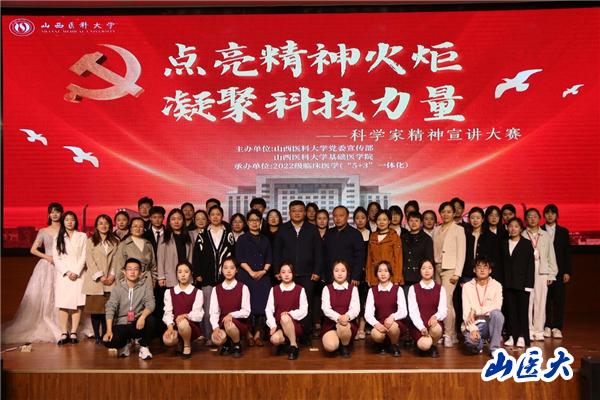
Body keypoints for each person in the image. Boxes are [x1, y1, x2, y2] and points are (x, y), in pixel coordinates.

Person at [2, 203, 64, 344]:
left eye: (57, 212)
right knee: (46, 294)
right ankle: (51, 322)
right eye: (52, 212)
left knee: (61, 294)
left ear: (61, 213)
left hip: (62, 266)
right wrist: (47, 257)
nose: (54, 214)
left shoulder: (65, 229)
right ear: (48, 215)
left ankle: (63, 325)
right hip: (47, 266)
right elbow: (33, 249)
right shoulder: (43, 231)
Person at [273, 200, 323, 342]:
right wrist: (277, 270)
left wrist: (317, 271)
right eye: (294, 211)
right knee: (288, 304)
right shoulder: (283, 229)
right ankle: (287, 332)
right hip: (287, 274)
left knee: (306, 305)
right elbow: (276, 252)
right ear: (289, 212)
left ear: (305, 213)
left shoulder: (312, 229)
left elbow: (319, 252)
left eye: (300, 210)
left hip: (308, 274)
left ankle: (306, 334)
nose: (297, 213)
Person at [192, 205, 235, 343]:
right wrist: (197, 273)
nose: (215, 217)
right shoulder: (202, 234)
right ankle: (209, 336)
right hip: (207, 276)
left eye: (218, 214)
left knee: (225, 307)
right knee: (208, 308)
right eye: (212, 214)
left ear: (222, 216)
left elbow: (233, 253)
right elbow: (196, 255)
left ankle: (225, 337)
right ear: (209, 217)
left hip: (225, 277)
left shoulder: (228, 233)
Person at [103, 258, 155, 360]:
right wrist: (109, 330)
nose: (132, 272)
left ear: (140, 272)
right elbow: (110, 308)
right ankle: (125, 344)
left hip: (137, 322)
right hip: (122, 323)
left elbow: (151, 304)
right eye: (129, 269)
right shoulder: (118, 288)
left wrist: (142, 317)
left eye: (136, 269)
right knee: (109, 341)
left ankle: (144, 346)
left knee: (151, 320)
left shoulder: (145, 286)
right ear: (124, 271)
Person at [236, 209, 273, 347]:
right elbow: (240, 258)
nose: (254, 223)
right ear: (247, 222)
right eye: (251, 220)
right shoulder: (242, 238)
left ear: (261, 222)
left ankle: (258, 334)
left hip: (263, 277)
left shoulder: (265, 239)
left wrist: (263, 271)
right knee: (247, 305)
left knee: (262, 306)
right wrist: (251, 272)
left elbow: (269, 257)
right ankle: (248, 334)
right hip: (246, 276)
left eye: (257, 220)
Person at [432, 201, 466, 347]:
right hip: (437, 268)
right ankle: (446, 334)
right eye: (443, 212)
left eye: (449, 212)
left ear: (454, 214)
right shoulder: (436, 229)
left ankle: (449, 334)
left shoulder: (459, 229)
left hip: (450, 269)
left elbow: (461, 253)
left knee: (447, 301)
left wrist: (457, 273)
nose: (446, 214)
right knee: (440, 302)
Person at [83, 214, 119, 344]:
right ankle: (97, 336)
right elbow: (89, 260)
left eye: (106, 223)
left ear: (110, 225)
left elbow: (117, 260)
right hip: (95, 281)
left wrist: (112, 275)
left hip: (111, 280)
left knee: (107, 310)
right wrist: (100, 276)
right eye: (100, 223)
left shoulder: (116, 241)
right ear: (96, 226)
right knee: (95, 310)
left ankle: (105, 334)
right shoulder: (90, 241)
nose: (103, 226)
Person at [523, 208, 557, 341]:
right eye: (529, 216)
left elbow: (551, 255)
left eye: (535, 216)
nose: (532, 219)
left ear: (539, 219)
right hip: (526, 271)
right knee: (528, 301)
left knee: (541, 301)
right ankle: (529, 330)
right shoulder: (522, 234)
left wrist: (551, 274)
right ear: (526, 219)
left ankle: (539, 331)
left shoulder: (545, 235)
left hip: (542, 270)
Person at [53, 211, 88, 345]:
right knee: (63, 303)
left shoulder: (82, 236)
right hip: (64, 275)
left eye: (72, 219)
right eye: (67, 219)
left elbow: (84, 256)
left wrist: (76, 272)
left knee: (77, 304)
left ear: (76, 221)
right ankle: (64, 332)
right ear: (63, 222)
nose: (69, 222)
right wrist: (67, 272)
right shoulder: (58, 237)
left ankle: (73, 332)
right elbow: (56, 258)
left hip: (79, 274)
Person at [501, 217, 535, 348]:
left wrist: (529, 285)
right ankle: (511, 335)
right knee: (510, 311)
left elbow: (530, 266)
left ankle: (521, 336)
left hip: (522, 284)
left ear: (521, 228)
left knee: (522, 311)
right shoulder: (504, 243)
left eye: (516, 226)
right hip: (507, 283)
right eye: (510, 226)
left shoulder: (526, 244)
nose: (513, 229)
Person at [462, 256, 504, 356]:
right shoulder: (467, 286)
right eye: (479, 267)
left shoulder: (497, 285)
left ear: (490, 270)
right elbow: (466, 312)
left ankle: (494, 349)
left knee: (497, 314)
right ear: (474, 270)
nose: (482, 270)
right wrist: (473, 329)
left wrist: (475, 311)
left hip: (489, 323)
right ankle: (479, 345)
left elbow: (497, 306)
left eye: (485, 267)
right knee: (471, 341)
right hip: (475, 323)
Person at [266, 262, 308, 360]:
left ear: (293, 274)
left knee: (285, 318)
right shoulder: (274, 290)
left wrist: (290, 314)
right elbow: (268, 309)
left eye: (289, 272)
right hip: (279, 325)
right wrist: (273, 325)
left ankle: (293, 345)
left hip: (294, 325)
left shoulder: (300, 289)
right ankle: (285, 343)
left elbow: (304, 309)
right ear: (279, 274)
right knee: (274, 339)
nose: (286, 274)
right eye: (283, 272)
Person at [364, 261, 407, 357]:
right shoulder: (372, 291)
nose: (383, 274)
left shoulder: (398, 289)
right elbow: (368, 313)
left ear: (390, 273)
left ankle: (394, 345)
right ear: (376, 273)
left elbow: (403, 311)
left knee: (393, 327)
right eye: (380, 271)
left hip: (395, 322)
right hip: (380, 323)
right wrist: (376, 324)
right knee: (376, 335)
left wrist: (392, 317)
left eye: (386, 271)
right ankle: (383, 344)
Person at [210, 258, 251, 357]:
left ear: (236, 270)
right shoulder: (216, 289)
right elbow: (214, 312)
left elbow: (246, 311)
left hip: (239, 323)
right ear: (221, 270)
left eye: (232, 268)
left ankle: (237, 344)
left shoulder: (243, 288)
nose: (228, 271)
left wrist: (231, 315)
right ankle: (226, 343)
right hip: (222, 322)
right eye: (225, 268)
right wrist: (215, 327)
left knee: (229, 325)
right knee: (215, 339)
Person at [162, 261, 204, 358]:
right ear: (176, 274)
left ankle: (187, 345)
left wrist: (185, 316)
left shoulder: (197, 292)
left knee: (183, 323)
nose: (183, 275)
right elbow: (168, 312)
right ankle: (179, 342)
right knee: (167, 340)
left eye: (186, 272)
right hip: (176, 326)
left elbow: (198, 314)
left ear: (191, 274)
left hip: (190, 326)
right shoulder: (169, 292)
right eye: (180, 272)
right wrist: (170, 327)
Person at [542, 204, 571, 339]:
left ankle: (557, 327)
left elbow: (567, 253)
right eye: (547, 213)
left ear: (557, 215)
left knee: (559, 300)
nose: (550, 215)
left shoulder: (563, 232)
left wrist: (567, 271)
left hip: (559, 272)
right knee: (545, 300)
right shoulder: (540, 230)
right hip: (543, 271)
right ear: (544, 215)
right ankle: (547, 326)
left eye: (553, 213)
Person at [320, 261, 360, 357]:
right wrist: (338, 317)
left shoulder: (353, 289)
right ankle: (337, 341)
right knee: (330, 346)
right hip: (331, 324)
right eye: (336, 270)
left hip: (347, 324)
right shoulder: (327, 288)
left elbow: (355, 308)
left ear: (347, 273)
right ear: (333, 273)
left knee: (343, 328)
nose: (340, 273)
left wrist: (347, 316)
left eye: (343, 270)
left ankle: (344, 345)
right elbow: (325, 308)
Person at [407, 259, 446, 358]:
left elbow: (443, 310)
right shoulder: (413, 288)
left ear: (433, 270)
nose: (427, 271)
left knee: (436, 329)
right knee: (424, 345)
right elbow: (413, 312)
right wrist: (421, 327)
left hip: (433, 323)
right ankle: (424, 345)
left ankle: (433, 346)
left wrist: (436, 317)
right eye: (423, 268)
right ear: (420, 271)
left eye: (430, 268)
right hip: (418, 325)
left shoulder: (440, 289)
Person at [322, 206, 365, 284]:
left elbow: (360, 257)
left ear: (347, 217)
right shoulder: (328, 233)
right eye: (335, 216)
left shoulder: (355, 234)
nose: (338, 218)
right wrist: (323, 275)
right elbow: (324, 255)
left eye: (341, 216)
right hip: (330, 277)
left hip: (349, 277)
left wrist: (356, 276)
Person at [158, 208, 194, 289]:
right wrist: (161, 276)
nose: (176, 222)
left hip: (186, 275)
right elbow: (160, 258)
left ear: (183, 221)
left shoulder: (190, 236)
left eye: (179, 219)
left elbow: (191, 256)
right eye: (173, 219)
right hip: (170, 275)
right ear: (169, 221)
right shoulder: (164, 237)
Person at [366, 210, 403, 287]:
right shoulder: (372, 236)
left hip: (390, 276)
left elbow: (398, 259)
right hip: (375, 276)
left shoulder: (394, 237)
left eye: (384, 219)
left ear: (389, 221)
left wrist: (397, 278)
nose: (381, 222)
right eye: (379, 219)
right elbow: (369, 259)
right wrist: (368, 277)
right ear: (376, 222)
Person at [114, 217, 156, 285]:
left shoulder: (148, 244)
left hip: (147, 281)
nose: (138, 229)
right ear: (130, 229)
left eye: (141, 226)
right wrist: (122, 285)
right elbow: (119, 268)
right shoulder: (124, 244)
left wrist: (153, 281)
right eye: (135, 226)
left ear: (144, 229)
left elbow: (153, 265)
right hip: (131, 282)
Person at [401, 211, 434, 296]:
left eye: (416, 220)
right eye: (411, 220)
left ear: (421, 223)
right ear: (407, 222)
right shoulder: (403, 237)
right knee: (406, 301)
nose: (414, 223)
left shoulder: (427, 239)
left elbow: (429, 259)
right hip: (405, 277)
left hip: (420, 277)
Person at [352, 206, 370, 340]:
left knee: (365, 301)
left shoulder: (372, 234)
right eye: (357, 218)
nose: (360, 220)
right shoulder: (351, 234)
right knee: (355, 300)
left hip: (368, 273)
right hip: (354, 273)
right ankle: (355, 327)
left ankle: (362, 328)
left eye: (363, 218)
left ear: (367, 219)